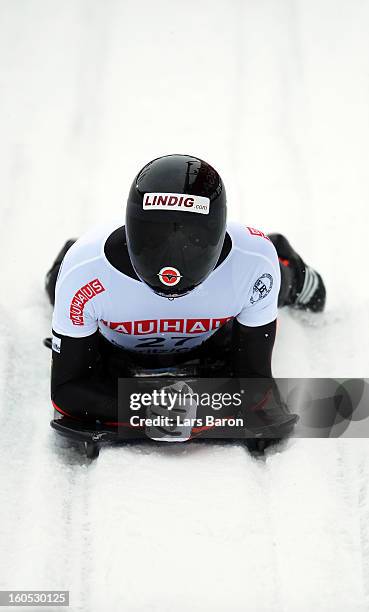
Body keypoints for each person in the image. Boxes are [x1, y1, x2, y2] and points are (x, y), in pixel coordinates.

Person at [46, 154, 326, 442]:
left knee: (286, 286)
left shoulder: (253, 261)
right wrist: (151, 413)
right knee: (58, 284)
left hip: (214, 338)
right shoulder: (85, 270)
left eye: (192, 242)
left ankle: (289, 264)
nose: (172, 268)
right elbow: (66, 390)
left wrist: (143, 412)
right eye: (155, 240)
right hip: (115, 342)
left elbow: (255, 381)